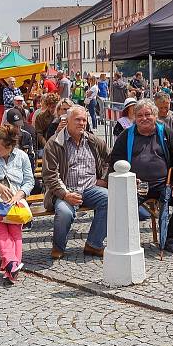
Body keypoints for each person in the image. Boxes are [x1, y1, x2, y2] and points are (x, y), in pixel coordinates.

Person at [108, 99, 173, 253]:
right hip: (135, 185)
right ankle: (127, 241)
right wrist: (126, 178)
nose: (144, 118)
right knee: (122, 206)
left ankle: (169, 237)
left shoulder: (166, 132)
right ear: (134, 118)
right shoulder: (126, 135)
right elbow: (115, 161)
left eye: (148, 114)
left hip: (164, 184)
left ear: (155, 116)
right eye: (139, 115)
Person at [42, 105, 110, 259]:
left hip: (90, 188)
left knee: (110, 199)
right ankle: (58, 246)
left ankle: (94, 244)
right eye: (77, 119)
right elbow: (50, 175)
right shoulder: (55, 143)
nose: (81, 123)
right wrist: (65, 195)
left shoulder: (92, 140)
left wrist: (104, 179)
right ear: (67, 121)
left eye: (84, 120)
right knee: (64, 212)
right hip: (65, 190)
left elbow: (110, 159)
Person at [0, 125, 34, 284]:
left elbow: (29, 181)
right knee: (1, 232)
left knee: (15, 233)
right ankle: (11, 262)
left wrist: (20, 194)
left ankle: (12, 268)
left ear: (9, 147)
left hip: (15, 203)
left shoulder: (22, 156)